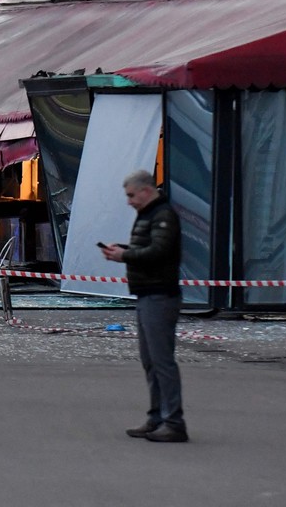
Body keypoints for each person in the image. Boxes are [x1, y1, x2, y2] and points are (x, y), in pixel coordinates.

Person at [100, 169, 187, 443]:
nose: (129, 202)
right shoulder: (151, 214)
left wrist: (124, 255)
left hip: (159, 295)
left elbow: (159, 252)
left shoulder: (162, 215)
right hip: (148, 294)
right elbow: (152, 248)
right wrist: (125, 249)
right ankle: (157, 417)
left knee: (161, 361)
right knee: (151, 361)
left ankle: (173, 422)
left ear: (146, 190)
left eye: (131, 195)